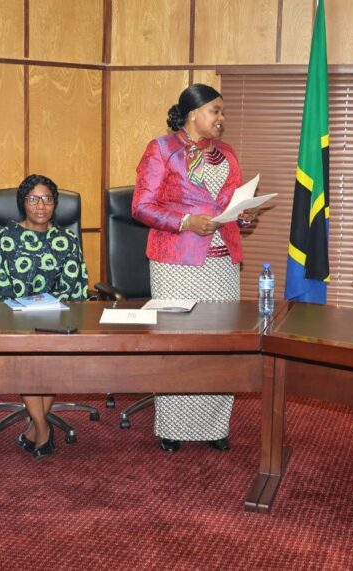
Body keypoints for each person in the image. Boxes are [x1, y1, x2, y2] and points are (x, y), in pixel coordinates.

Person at [132, 83, 259, 453]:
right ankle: (172, 426)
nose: (222, 118)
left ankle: (214, 426)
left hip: (223, 261)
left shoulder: (228, 153)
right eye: (215, 111)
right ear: (193, 113)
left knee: (220, 344)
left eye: (222, 112)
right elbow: (142, 206)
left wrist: (244, 215)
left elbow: (230, 204)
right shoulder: (162, 150)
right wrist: (186, 221)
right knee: (180, 342)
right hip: (177, 261)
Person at [0, 174, 89, 459]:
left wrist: (52, 308)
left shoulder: (67, 241)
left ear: (55, 204)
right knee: (29, 357)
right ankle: (42, 426)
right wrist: (23, 308)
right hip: (15, 319)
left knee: (51, 355)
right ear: (23, 203)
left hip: (55, 319)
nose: (41, 206)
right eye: (33, 199)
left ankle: (35, 427)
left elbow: (75, 289)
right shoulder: (5, 239)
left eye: (47, 199)